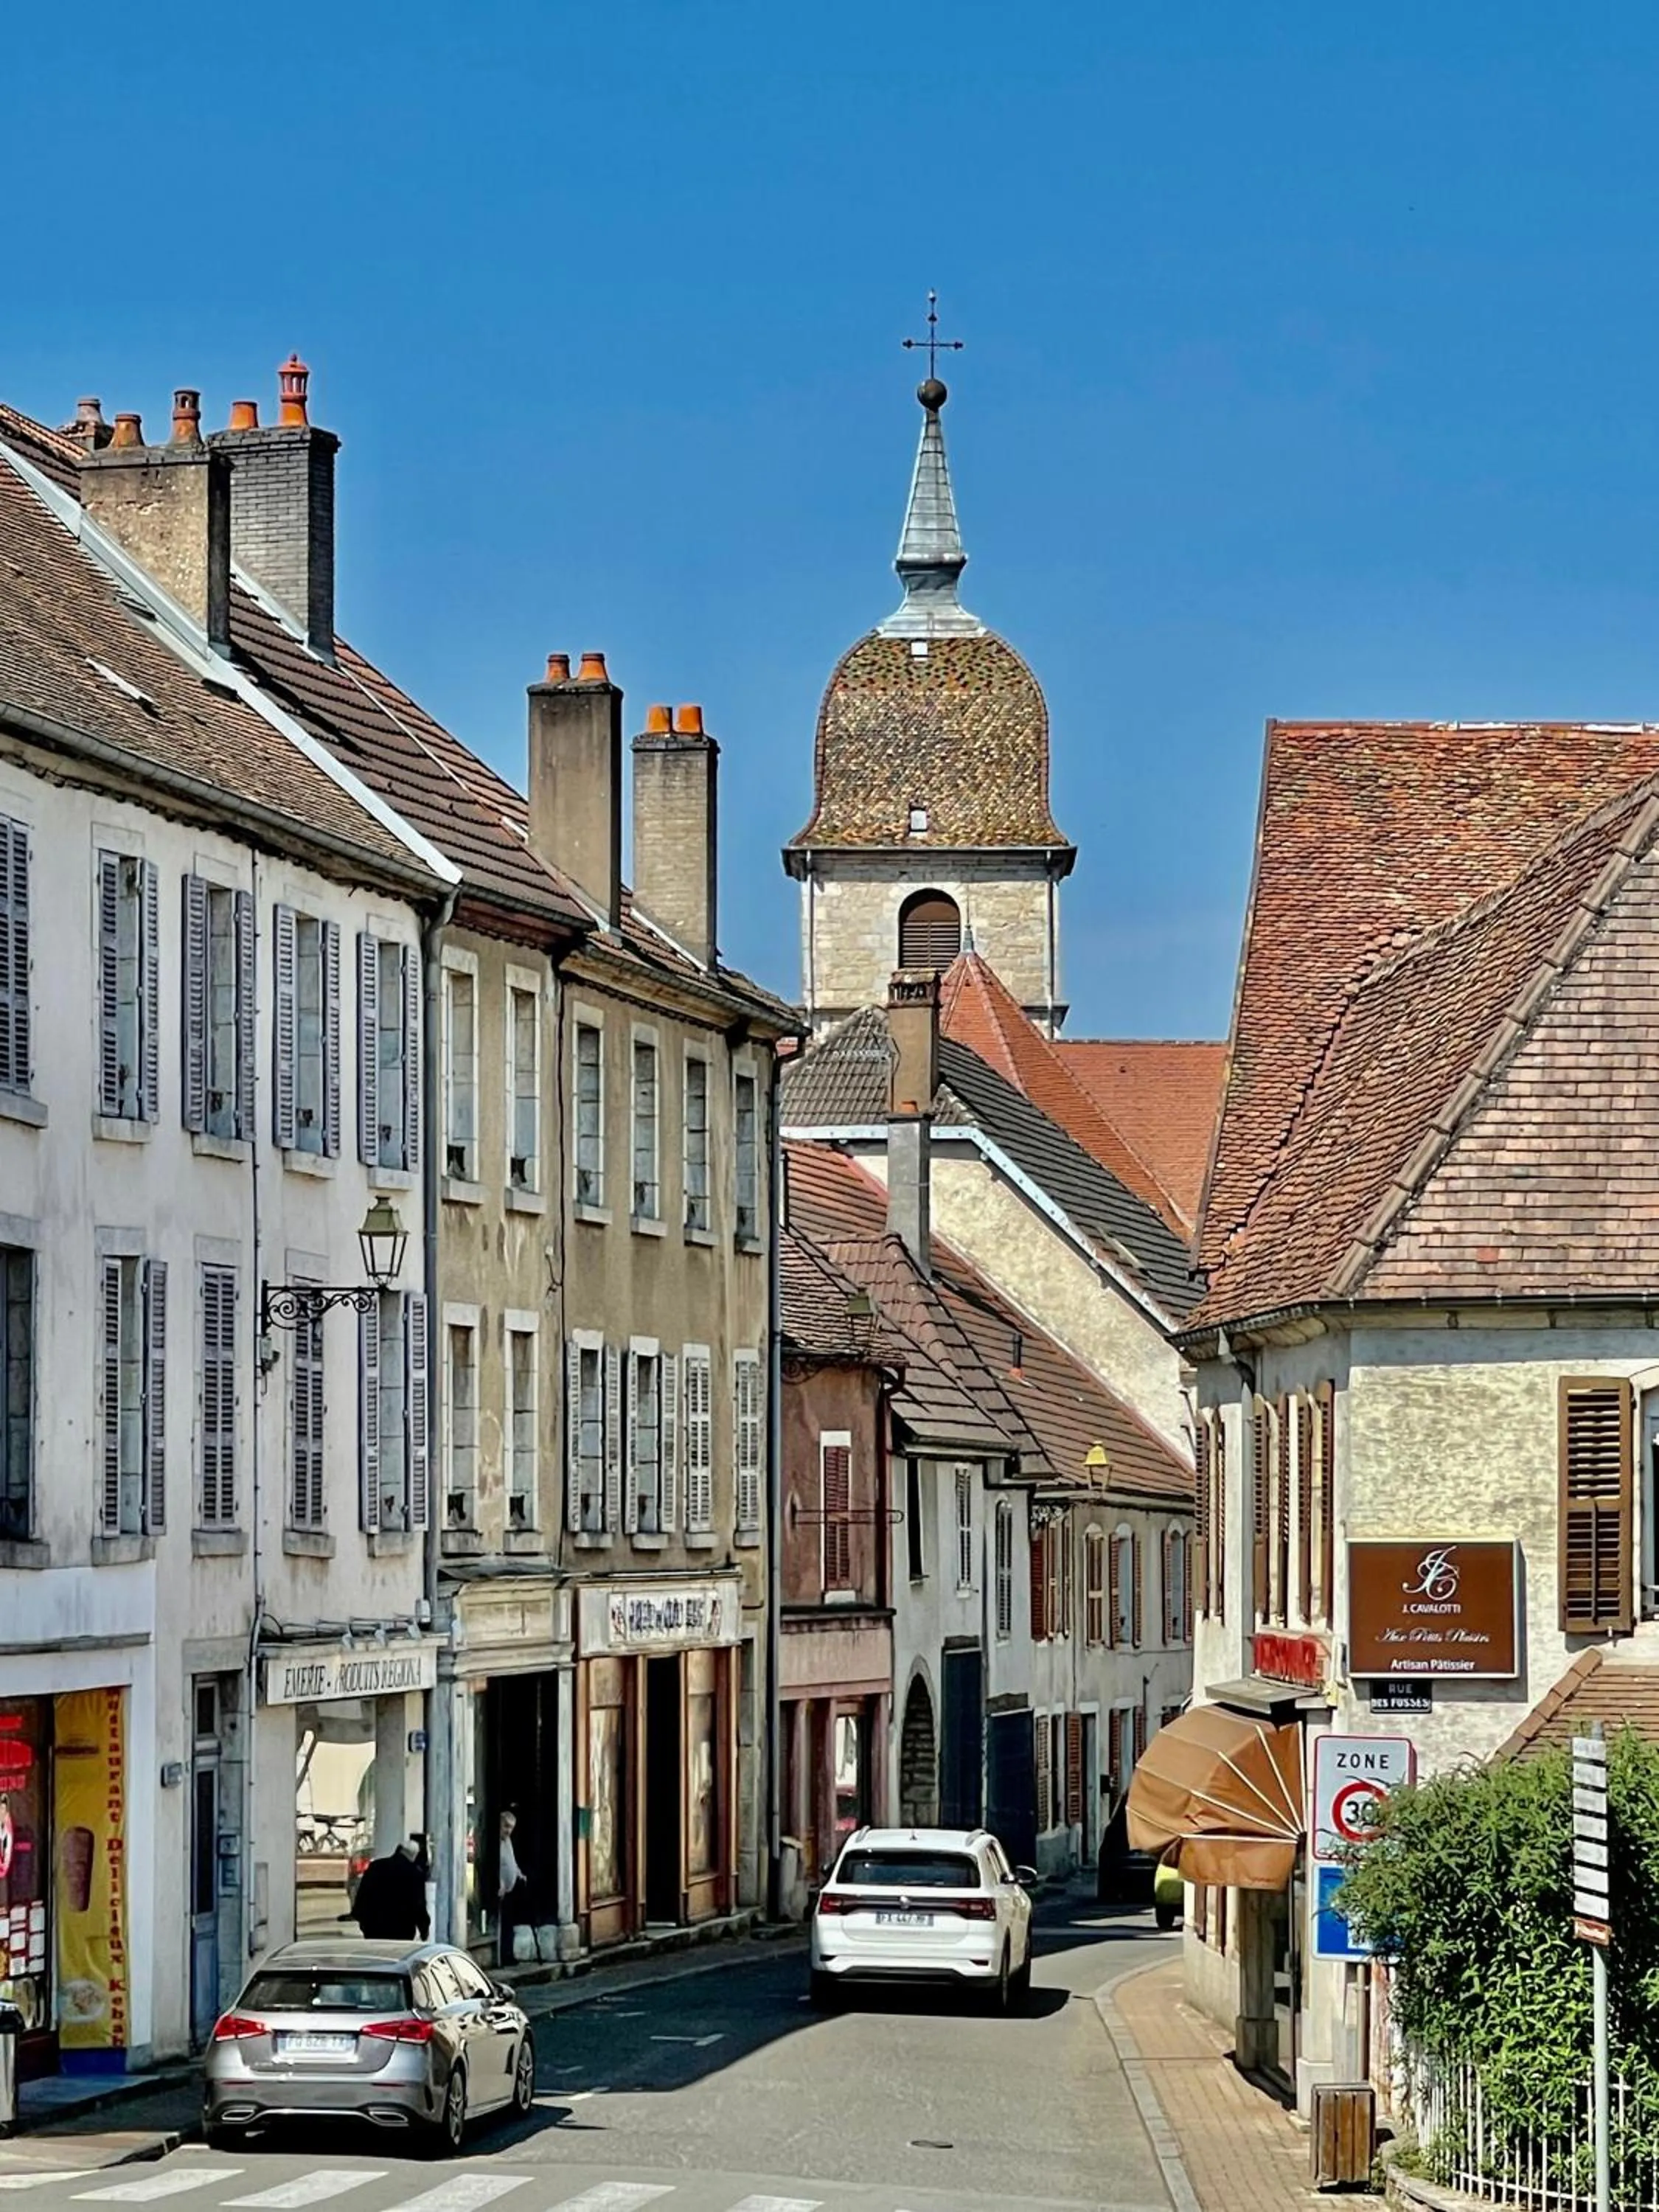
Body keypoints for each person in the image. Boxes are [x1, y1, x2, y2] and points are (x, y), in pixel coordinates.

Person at [349, 1837, 430, 1941]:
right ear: (414, 1855)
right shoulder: (415, 1873)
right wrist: (424, 1930)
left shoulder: (376, 1866)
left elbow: (363, 1895)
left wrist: (360, 1917)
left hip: (373, 1927)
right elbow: (418, 1905)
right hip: (401, 1930)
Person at [497, 1808, 529, 1963]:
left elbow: (511, 1862)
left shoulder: (507, 1842)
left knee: (509, 1925)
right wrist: (500, 1883)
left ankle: (509, 1954)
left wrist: (519, 1874)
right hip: (501, 1891)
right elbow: (496, 1865)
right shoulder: (496, 1843)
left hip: (511, 1889)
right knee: (503, 1925)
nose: (508, 1831)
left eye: (511, 1828)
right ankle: (504, 1955)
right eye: (506, 1826)